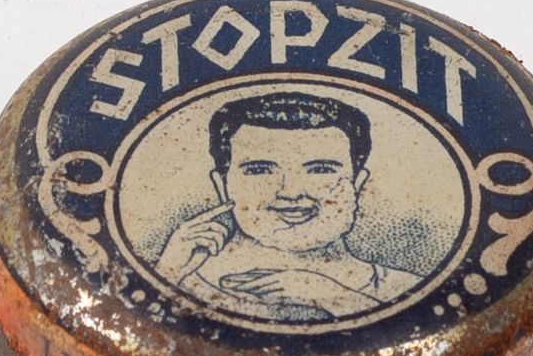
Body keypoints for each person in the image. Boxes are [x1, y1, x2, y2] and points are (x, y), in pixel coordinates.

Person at [155, 91, 418, 321]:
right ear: (222, 185)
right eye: (260, 170)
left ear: (357, 184)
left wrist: (336, 296)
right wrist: (166, 275)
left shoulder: (408, 290)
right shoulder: (177, 281)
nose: (291, 193)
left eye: (320, 169)